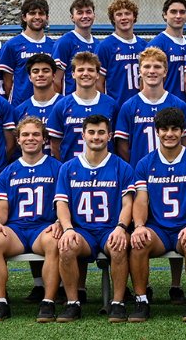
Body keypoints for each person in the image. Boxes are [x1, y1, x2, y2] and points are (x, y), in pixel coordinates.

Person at [128, 108, 186, 321]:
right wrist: (139, 226)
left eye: (175, 129)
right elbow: (141, 200)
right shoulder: (145, 163)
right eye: (164, 129)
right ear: (157, 131)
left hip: (185, 225)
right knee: (138, 242)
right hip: (159, 230)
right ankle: (141, 300)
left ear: (182, 131)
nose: (169, 134)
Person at [0, 117, 68, 322]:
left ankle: (48, 301)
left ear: (44, 139)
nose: (30, 138)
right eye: (25, 135)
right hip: (17, 229)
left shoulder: (57, 168)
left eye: (35, 134)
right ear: (18, 140)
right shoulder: (8, 171)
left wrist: (59, 222)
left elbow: (63, 202)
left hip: (44, 226)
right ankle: (0, 302)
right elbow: (2, 206)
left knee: (53, 242)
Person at [56, 115, 137, 322]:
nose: (96, 137)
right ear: (83, 135)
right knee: (66, 246)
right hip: (82, 230)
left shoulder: (122, 167)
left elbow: (128, 203)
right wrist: (68, 229)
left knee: (119, 245)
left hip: (110, 227)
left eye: (101, 132)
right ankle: (73, 303)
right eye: (91, 132)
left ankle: (117, 303)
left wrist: (121, 227)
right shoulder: (68, 167)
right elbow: (62, 204)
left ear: (109, 136)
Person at [115, 47, 186, 165]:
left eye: (157, 66)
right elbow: (122, 146)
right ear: (139, 71)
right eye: (146, 66)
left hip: (172, 173)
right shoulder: (129, 106)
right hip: (140, 173)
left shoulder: (178, 105)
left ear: (165, 71)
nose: (152, 71)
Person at [48, 52, 119, 159]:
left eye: (90, 70)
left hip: (104, 171)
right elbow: (55, 145)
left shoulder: (111, 104)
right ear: (73, 74)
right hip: (73, 171)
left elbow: (116, 142)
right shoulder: (62, 106)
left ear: (97, 74)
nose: (85, 73)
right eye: (80, 70)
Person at [0, 0, 58, 103]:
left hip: (48, 105)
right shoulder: (12, 45)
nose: (37, 17)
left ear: (47, 17)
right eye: (32, 13)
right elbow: (7, 83)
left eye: (41, 13)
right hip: (20, 105)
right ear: (24, 17)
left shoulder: (54, 45)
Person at [96, 0, 148, 100]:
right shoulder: (105, 46)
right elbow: (98, 82)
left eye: (127, 13)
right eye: (119, 14)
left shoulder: (144, 45)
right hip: (117, 105)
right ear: (113, 19)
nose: (123, 18)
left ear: (134, 17)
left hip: (141, 106)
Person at [147, 0, 186, 97]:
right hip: (165, 107)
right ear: (165, 15)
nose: (178, 16)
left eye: (182, 12)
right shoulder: (156, 44)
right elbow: (145, 81)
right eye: (173, 12)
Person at [54, 0, 98, 94]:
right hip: (71, 103)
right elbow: (56, 80)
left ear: (94, 15)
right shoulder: (64, 42)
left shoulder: (98, 44)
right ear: (72, 17)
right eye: (80, 13)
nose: (85, 16)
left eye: (88, 12)